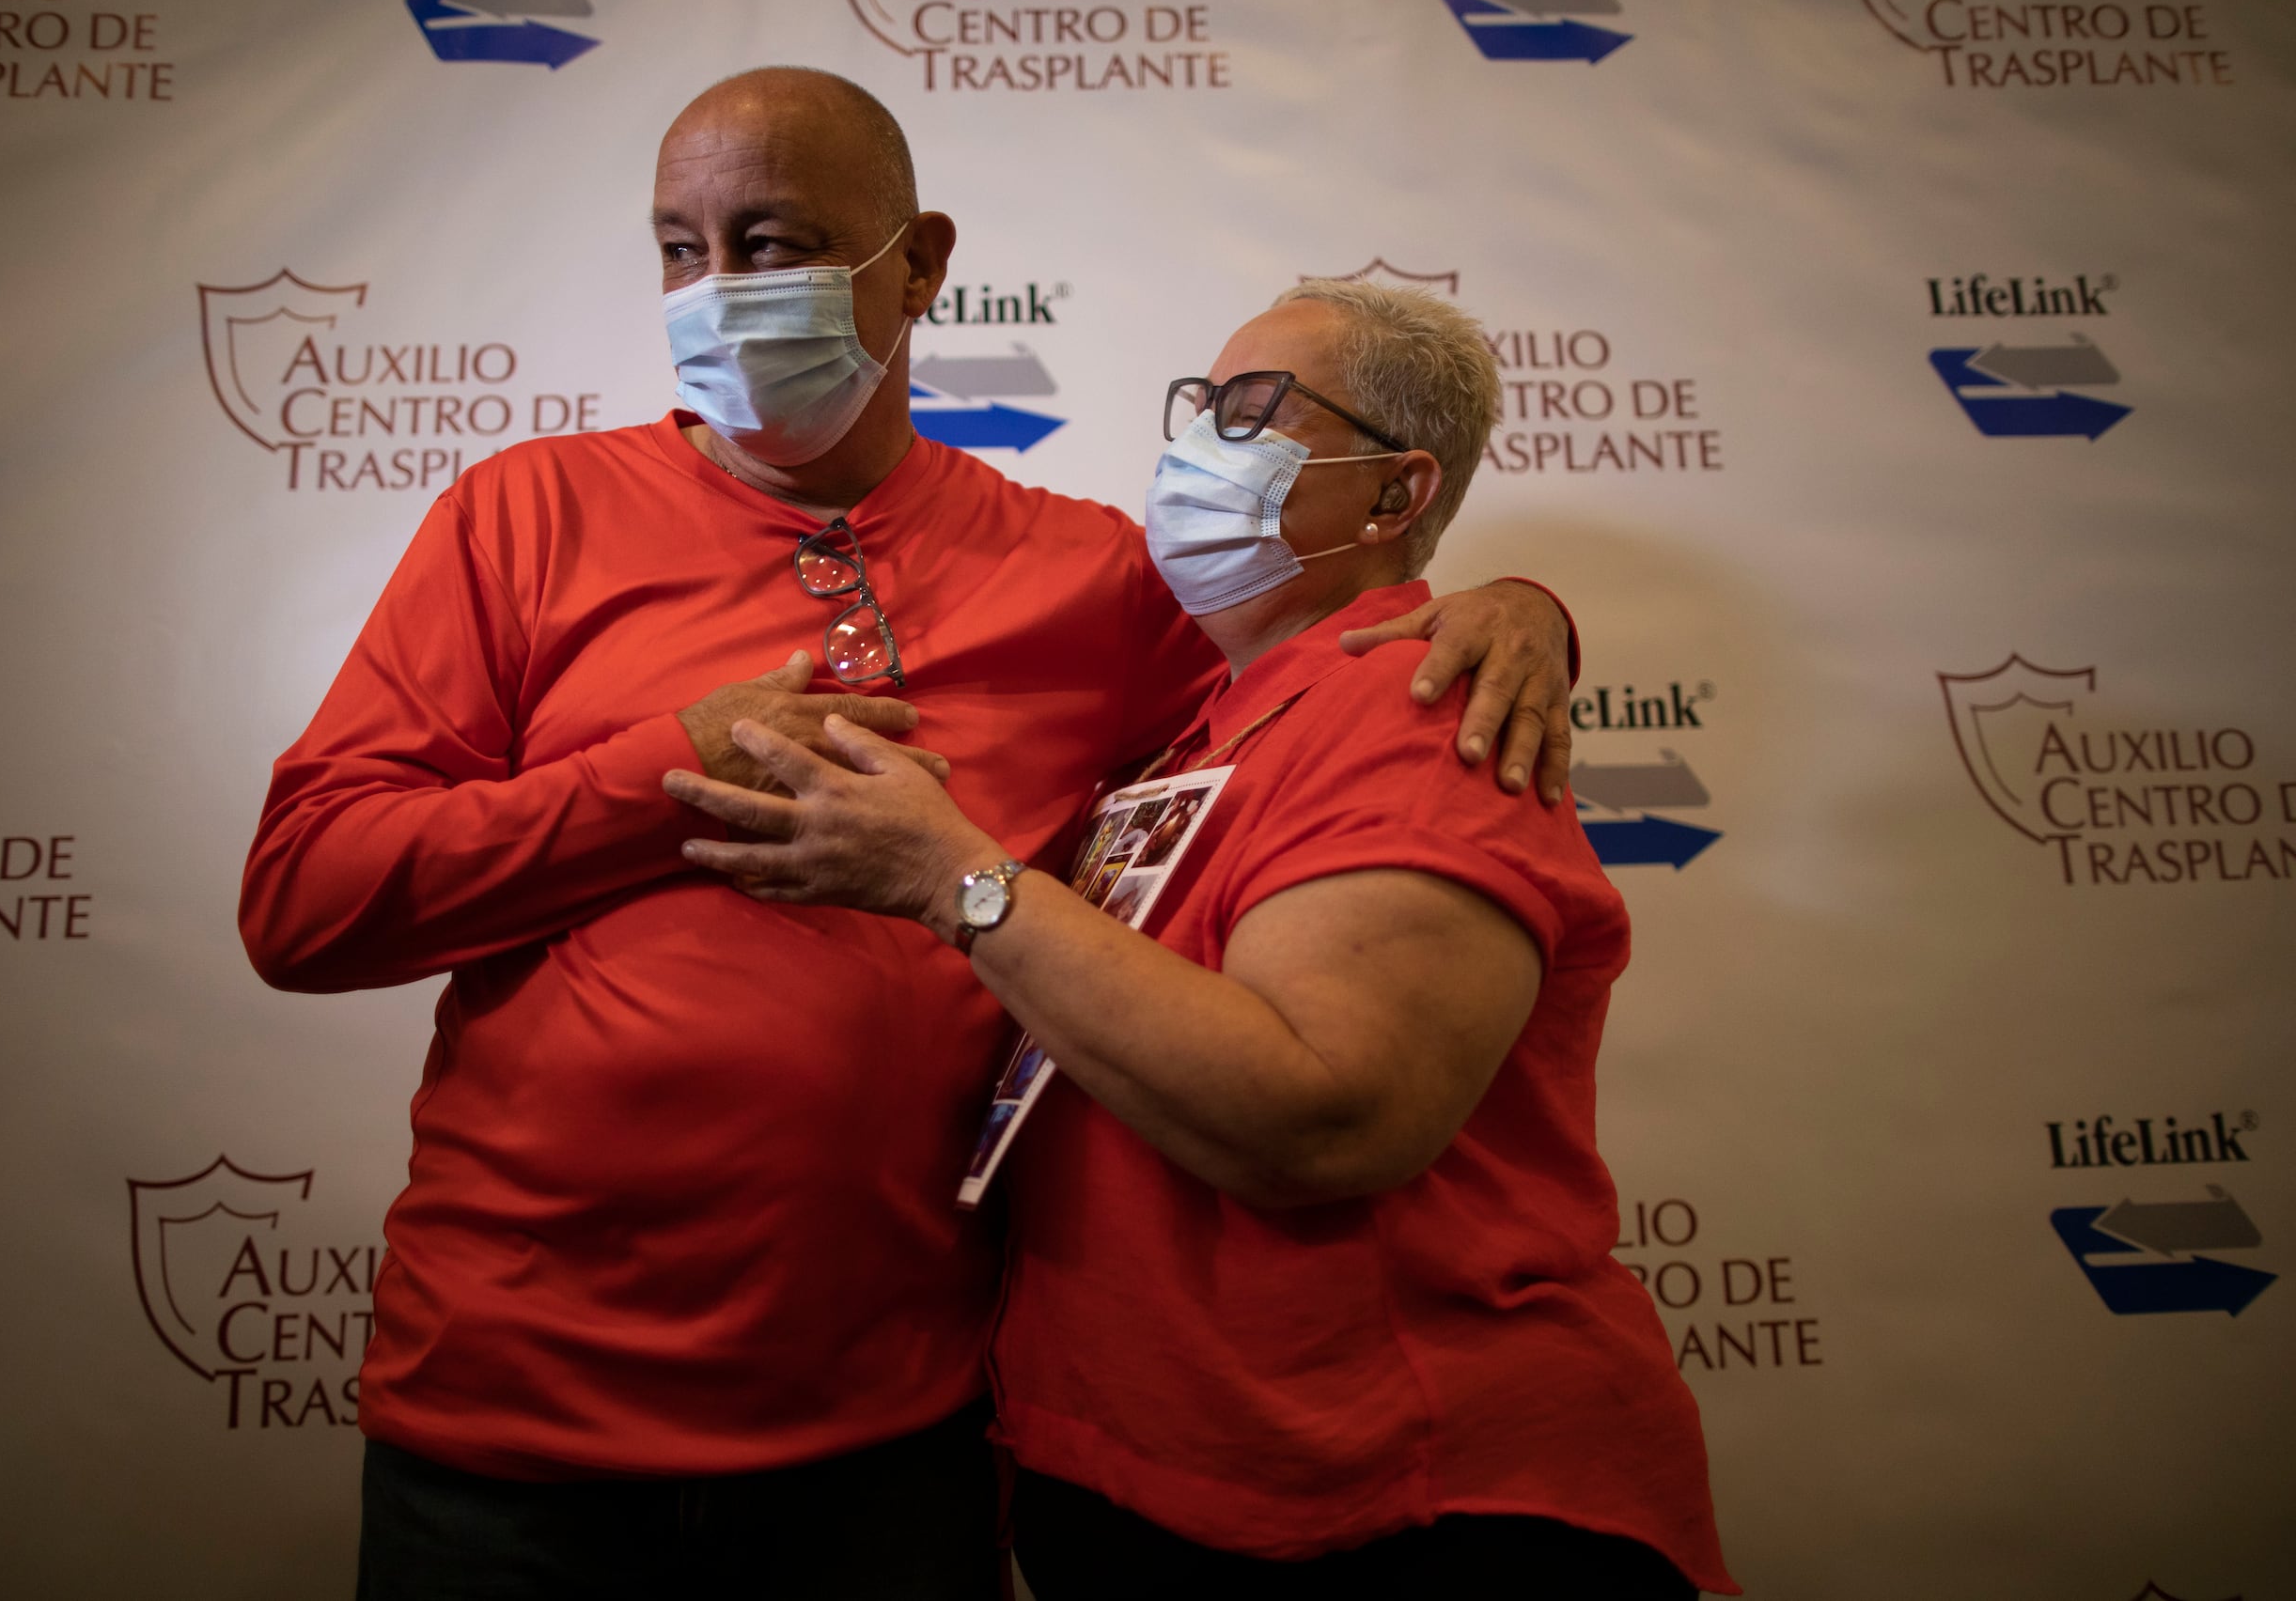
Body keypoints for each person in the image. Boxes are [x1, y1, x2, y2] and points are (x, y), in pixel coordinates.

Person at [237, 68, 1581, 1598]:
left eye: (774, 239)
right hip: (506, 1438)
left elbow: (1315, 656)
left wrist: (1516, 608)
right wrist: (661, 770)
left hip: (897, 1440)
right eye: (684, 249)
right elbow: (302, 905)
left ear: (922, 262)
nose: (720, 292)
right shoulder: (521, 515)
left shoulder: (1093, 577)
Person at [665, 279, 1735, 1597]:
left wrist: (953, 879)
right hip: (1167, 1497)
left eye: (1249, 412)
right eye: (1196, 402)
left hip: (1398, 1509)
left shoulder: (1413, 708)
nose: (1195, 440)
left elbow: (1325, 1118)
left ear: (1396, 498)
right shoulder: (1204, 730)